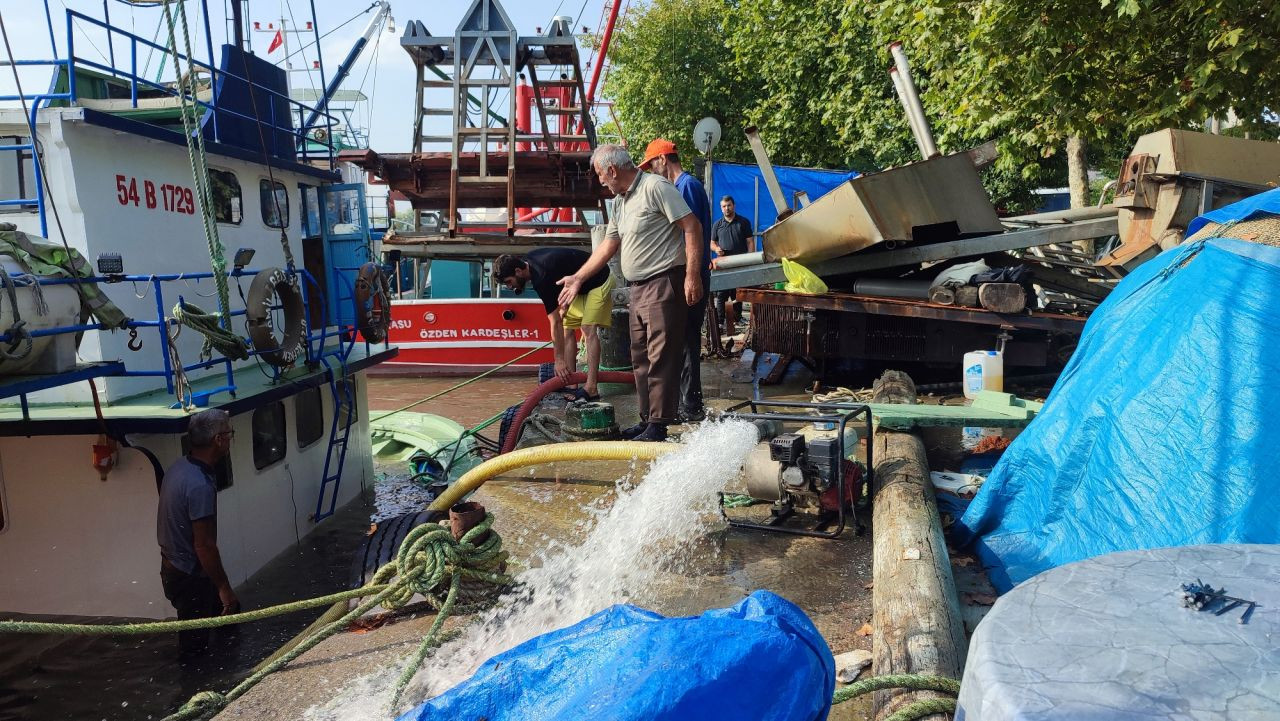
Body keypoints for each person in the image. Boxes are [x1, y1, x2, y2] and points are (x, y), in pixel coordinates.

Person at [558, 144, 703, 442]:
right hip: (637, 287)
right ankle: (646, 419)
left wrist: (692, 275)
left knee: (660, 355)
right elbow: (609, 244)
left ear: (612, 170)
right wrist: (578, 278)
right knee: (639, 356)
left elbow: (692, 226)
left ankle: (659, 424)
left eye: (600, 174)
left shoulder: (655, 187)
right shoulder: (620, 202)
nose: (599, 181)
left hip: (664, 281)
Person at [639, 139, 711, 422]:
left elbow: (691, 233)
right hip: (685, 275)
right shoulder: (681, 187)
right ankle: (686, 402)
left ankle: (690, 405)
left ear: (662, 160)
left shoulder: (686, 187)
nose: (651, 172)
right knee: (681, 340)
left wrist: (690, 276)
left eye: (651, 165)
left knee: (686, 340)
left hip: (688, 276)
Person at [157, 408, 238, 657]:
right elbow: (203, 545)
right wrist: (224, 587)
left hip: (172, 567)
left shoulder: (178, 467)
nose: (230, 439)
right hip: (190, 576)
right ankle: (197, 690)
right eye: (229, 434)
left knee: (229, 621)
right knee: (195, 647)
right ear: (218, 440)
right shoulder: (200, 485)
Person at [493, 249, 615, 400]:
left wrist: (559, 360)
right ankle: (572, 385)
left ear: (518, 271)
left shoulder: (541, 277)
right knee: (568, 328)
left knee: (587, 328)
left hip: (599, 278)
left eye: (509, 282)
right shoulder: (529, 260)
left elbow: (554, 321)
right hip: (578, 286)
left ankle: (591, 388)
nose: (511, 287)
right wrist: (563, 307)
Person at [710, 195, 754, 344]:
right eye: (723, 206)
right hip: (723, 264)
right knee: (722, 294)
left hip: (739, 263)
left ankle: (738, 318)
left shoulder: (743, 222)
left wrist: (750, 259)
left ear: (733, 205)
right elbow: (712, 243)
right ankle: (721, 322)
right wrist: (716, 249)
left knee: (738, 292)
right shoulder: (717, 225)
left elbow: (750, 241)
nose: (726, 208)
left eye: (728, 205)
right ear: (721, 208)